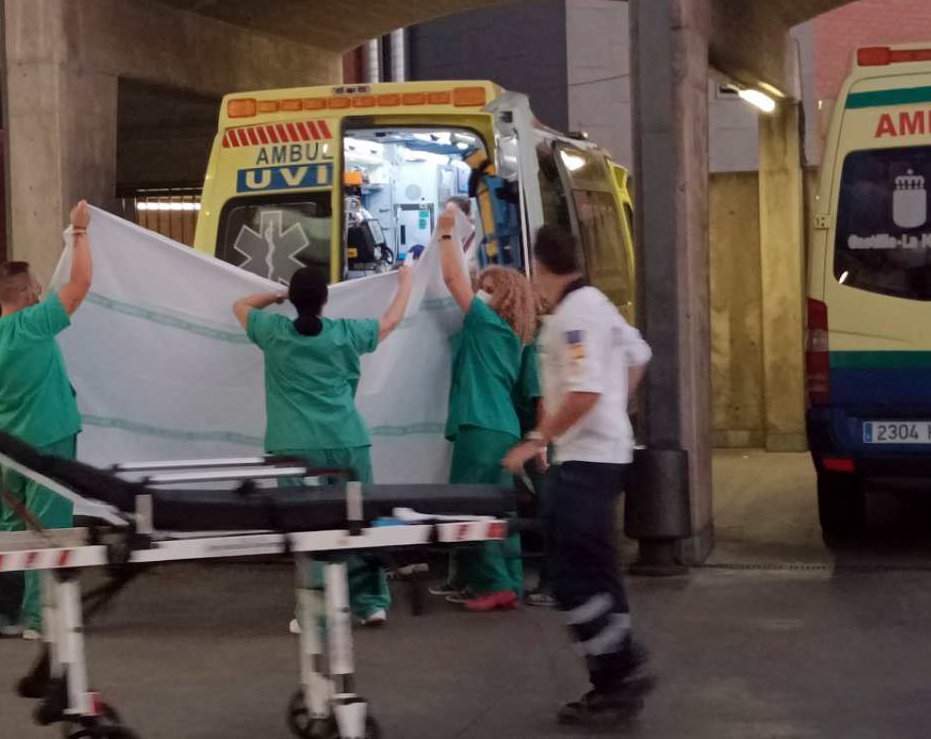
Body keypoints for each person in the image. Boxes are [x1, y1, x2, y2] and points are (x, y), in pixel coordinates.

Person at [502, 226, 654, 724]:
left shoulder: (571, 318)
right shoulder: (597, 303)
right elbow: (638, 355)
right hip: (606, 455)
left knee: (569, 578)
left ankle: (619, 669)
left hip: (585, 461)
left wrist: (536, 440)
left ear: (541, 268)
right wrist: (619, 404)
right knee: (599, 571)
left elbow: (585, 393)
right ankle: (616, 677)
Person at [233, 263, 413, 629]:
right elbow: (391, 320)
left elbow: (240, 306)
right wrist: (407, 279)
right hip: (347, 440)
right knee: (359, 518)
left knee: (307, 525)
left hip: (291, 444)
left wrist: (277, 294)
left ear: (295, 300)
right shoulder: (346, 333)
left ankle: (316, 613)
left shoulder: (274, 332)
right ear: (326, 300)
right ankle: (370, 603)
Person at [0, 199, 93, 641]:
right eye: (37, 284)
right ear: (30, 291)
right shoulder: (36, 323)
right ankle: (40, 619)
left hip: (5, 446)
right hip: (50, 441)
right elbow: (81, 282)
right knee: (48, 530)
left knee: (11, 529)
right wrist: (79, 232)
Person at [432, 203, 541, 612]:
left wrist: (444, 232)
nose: (478, 289)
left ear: (500, 298)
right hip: (502, 428)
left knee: (470, 505)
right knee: (499, 508)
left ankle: (492, 584)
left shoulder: (485, 323)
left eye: (486, 286)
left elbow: (450, 276)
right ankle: (506, 580)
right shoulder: (514, 336)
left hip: (480, 427)